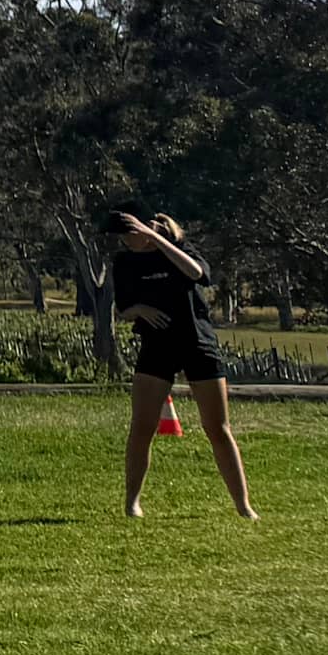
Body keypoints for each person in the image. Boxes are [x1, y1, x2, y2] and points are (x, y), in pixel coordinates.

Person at [111, 212, 254, 521]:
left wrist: (157, 240)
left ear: (146, 228)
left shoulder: (182, 248)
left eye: (129, 233)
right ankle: (132, 503)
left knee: (217, 428)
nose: (124, 241)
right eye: (121, 236)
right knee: (142, 427)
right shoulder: (124, 262)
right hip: (157, 346)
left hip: (197, 343)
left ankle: (243, 506)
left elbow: (197, 273)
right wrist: (139, 309)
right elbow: (123, 308)